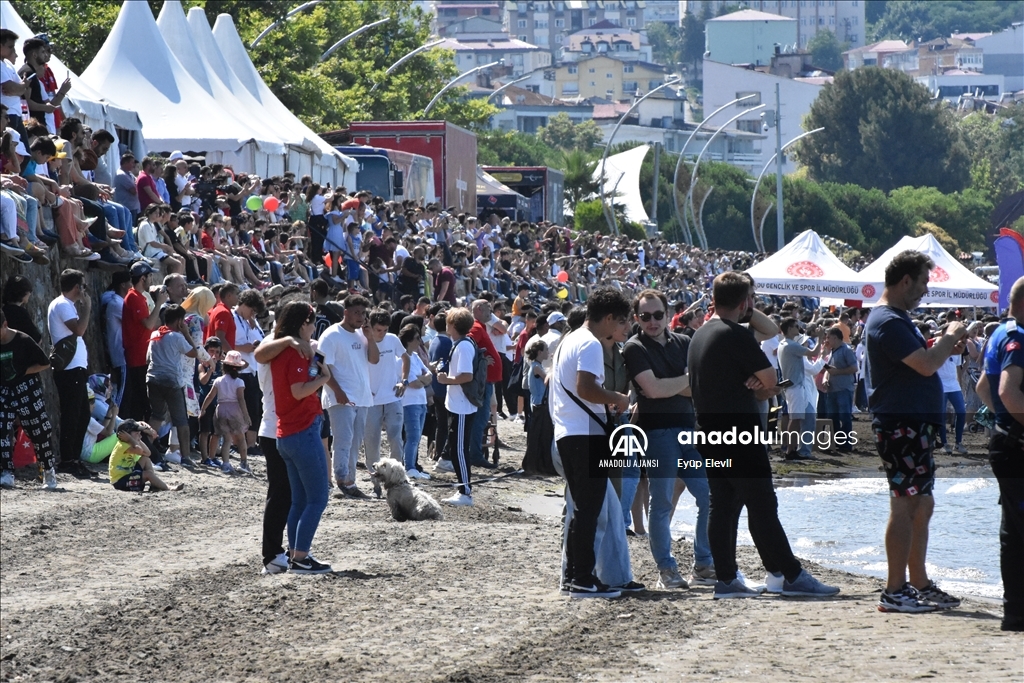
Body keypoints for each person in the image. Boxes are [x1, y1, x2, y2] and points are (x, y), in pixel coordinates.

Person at [688, 271, 839, 599]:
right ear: (745, 303)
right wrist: (761, 381)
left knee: (723, 505)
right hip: (738, 435)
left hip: (710, 433)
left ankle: (728, 579)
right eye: (751, 302)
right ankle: (790, 574)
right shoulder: (734, 334)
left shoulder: (702, 334)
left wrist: (759, 382)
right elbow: (770, 380)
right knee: (762, 505)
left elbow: (759, 383)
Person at [865, 251, 965, 613]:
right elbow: (925, 365)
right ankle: (895, 590)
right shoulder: (887, 320)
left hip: (911, 426)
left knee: (922, 504)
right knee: (906, 504)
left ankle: (917, 582)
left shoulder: (896, 319)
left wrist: (945, 343)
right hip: (900, 425)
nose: (925, 290)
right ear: (905, 280)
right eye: (922, 282)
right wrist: (950, 337)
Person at [621, 289, 714, 589]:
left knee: (711, 498)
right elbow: (653, 390)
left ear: (667, 313)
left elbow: (692, 388)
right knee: (660, 504)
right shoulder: (634, 348)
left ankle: (703, 564)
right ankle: (667, 569)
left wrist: (670, 385)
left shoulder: (684, 342)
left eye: (658, 315)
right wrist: (686, 382)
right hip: (657, 434)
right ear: (636, 318)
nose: (652, 321)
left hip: (689, 431)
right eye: (645, 316)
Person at [549, 287, 632, 598]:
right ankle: (582, 578)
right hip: (584, 435)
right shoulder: (591, 344)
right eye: (622, 322)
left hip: (570, 433)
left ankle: (575, 576)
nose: (626, 328)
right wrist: (618, 398)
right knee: (589, 511)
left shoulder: (568, 340)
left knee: (583, 509)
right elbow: (587, 389)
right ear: (608, 318)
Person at [270, 301, 334, 574]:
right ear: (301, 324)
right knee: (318, 497)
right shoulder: (293, 353)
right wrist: (324, 378)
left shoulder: (283, 350)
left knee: (300, 499)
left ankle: (296, 554)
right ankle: (300, 557)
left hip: (288, 432)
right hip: (302, 430)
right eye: (311, 322)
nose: (313, 326)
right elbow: (298, 391)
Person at [976, 275, 1024, 632]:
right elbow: (1008, 391)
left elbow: (983, 387)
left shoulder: (997, 333)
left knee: (1013, 530)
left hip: (1005, 440)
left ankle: (1015, 610)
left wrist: (1002, 422)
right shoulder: (1017, 339)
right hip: (1016, 444)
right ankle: (1016, 611)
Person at [318, 294, 379, 499]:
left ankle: (350, 480)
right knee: (343, 440)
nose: (361, 317)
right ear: (346, 313)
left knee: (355, 442)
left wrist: (370, 337)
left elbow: (374, 359)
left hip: (361, 397)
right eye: (356, 313)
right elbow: (319, 365)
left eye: (363, 313)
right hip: (340, 397)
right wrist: (337, 390)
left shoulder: (363, 334)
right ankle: (342, 479)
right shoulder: (331, 334)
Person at [0, 309, 57, 490]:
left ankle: (48, 471)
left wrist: (24, 372)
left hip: (27, 390)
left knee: (39, 431)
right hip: (4, 391)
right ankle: (6, 472)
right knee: (2, 428)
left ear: (4, 325)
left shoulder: (23, 340)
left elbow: (45, 363)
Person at [47, 269, 91, 474]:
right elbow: (79, 330)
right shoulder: (62, 304)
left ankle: (74, 458)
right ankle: (67, 460)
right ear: (76, 287)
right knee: (72, 416)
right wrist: (87, 307)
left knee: (82, 415)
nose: (84, 290)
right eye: (82, 286)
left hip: (76, 369)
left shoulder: (68, 305)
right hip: (69, 370)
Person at [145, 304, 200, 469]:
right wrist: (185, 332)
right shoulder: (176, 337)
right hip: (171, 381)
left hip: (153, 379)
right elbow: (193, 353)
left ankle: (145, 447)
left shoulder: (155, 334)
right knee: (181, 420)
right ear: (179, 321)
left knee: (156, 416)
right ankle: (186, 457)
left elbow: (148, 359)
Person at [436, 307, 479, 506]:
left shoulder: (463, 346)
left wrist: (447, 380)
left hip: (462, 405)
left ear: (452, 325)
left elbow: (467, 376)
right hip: (457, 404)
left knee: (459, 449)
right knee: (456, 448)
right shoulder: (461, 343)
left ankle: (465, 492)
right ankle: (463, 488)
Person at [122, 261, 168, 422]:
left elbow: (152, 323)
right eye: (149, 276)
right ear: (143, 278)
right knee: (142, 402)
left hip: (142, 355)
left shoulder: (139, 297)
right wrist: (160, 303)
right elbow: (149, 323)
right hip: (137, 357)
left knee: (143, 401)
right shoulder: (134, 297)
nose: (151, 280)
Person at [778, 319, 825, 460]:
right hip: (795, 386)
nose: (798, 329)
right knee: (796, 419)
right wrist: (820, 338)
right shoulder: (791, 345)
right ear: (789, 328)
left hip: (791, 386)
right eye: (795, 327)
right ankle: (790, 451)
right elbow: (814, 352)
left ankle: (790, 449)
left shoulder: (783, 344)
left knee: (795, 418)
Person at [200, 350, 251, 475]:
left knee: (227, 439)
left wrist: (203, 409)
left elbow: (210, 396)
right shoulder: (239, 382)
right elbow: (240, 399)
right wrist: (246, 415)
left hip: (221, 410)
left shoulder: (218, 380)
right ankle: (243, 462)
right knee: (240, 438)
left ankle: (226, 464)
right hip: (235, 411)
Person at [397, 324, 433, 480]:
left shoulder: (416, 356)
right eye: (417, 338)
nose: (420, 341)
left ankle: (412, 466)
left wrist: (422, 379)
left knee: (416, 437)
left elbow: (429, 373)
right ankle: (409, 467)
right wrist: (423, 380)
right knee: (412, 437)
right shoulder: (403, 358)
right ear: (409, 340)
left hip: (420, 401)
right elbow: (413, 383)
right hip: (409, 403)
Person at [109, 419, 184, 493]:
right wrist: (131, 439)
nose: (140, 435)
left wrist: (137, 439)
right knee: (148, 474)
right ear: (127, 435)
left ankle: (154, 485)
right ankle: (168, 488)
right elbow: (139, 450)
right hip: (120, 481)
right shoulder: (123, 445)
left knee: (146, 459)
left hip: (129, 474)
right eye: (137, 433)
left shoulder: (131, 443)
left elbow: (148, 453)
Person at [822, 326, 857, 453]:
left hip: (843, 388)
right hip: (833, 389)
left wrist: (836, 372)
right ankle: (837, 442)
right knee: (833, 417)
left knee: (844, 416)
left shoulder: (846, 350)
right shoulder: (833, 350)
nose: (827, 340)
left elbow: (854, 368)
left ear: (835, 338)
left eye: (828, 337)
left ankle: (846, 444)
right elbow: (829, 369)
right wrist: (825, 378)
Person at [428, 311, 453, 472]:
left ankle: (438, 453)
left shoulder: (434, 340)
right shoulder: (447, 343)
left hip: (435, 387)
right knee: (446, 423)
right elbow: (444, 365)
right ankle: (443, 454)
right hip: (444, 387)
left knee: (441, 423)